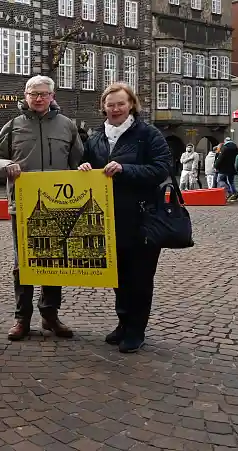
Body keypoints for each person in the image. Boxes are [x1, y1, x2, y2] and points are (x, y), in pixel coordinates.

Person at [78, 83, 172, 353]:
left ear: (131, 104)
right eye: (110, 104)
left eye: (121, 103)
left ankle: (136, 330)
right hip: (108, 219)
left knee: (140, 278)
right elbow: (86, 166)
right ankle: (123, 322)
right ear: (103, 107)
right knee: (117, 276)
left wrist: (125, 169)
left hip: (142, 218)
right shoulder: (95, 138)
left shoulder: (147, 134)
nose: (115, 109)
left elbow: (162, 168)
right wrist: (84, 168)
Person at [0, 75, 83, 341]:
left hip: (60, 204)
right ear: (26, 96)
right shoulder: (13, 126)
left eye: (43, 94)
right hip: (23, 205)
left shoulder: (67, 126)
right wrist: (4, 166)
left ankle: (50, 315)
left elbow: (78, 161)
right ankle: (22, 318)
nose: (39, 98)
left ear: (53, 96)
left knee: (54, 262)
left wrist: (83, 171)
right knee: (23, 263)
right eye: (33, 94)